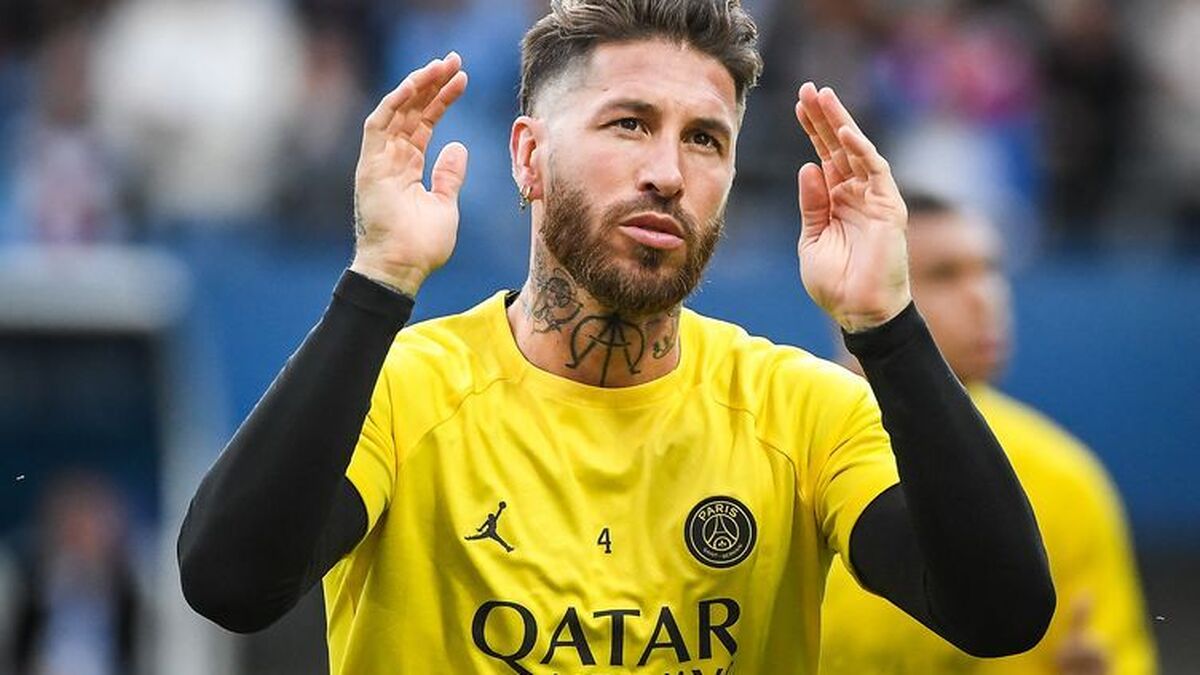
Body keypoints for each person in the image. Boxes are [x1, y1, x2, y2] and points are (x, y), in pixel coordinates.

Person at [177, 2, 1054, 673]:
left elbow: (1001, 614)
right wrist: (379, 279)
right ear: (528, 157)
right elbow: (230, 585)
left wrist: (887, 326)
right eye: (629, 123)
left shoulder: (803, 413)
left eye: (704, 139)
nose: (667, 173)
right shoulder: (403, 392)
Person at [820, 193, 1157, 675]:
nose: (985, 297)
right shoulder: (795, 446)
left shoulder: (1062, 476)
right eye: (944, 275)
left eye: (991, 270)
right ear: (852, 281)